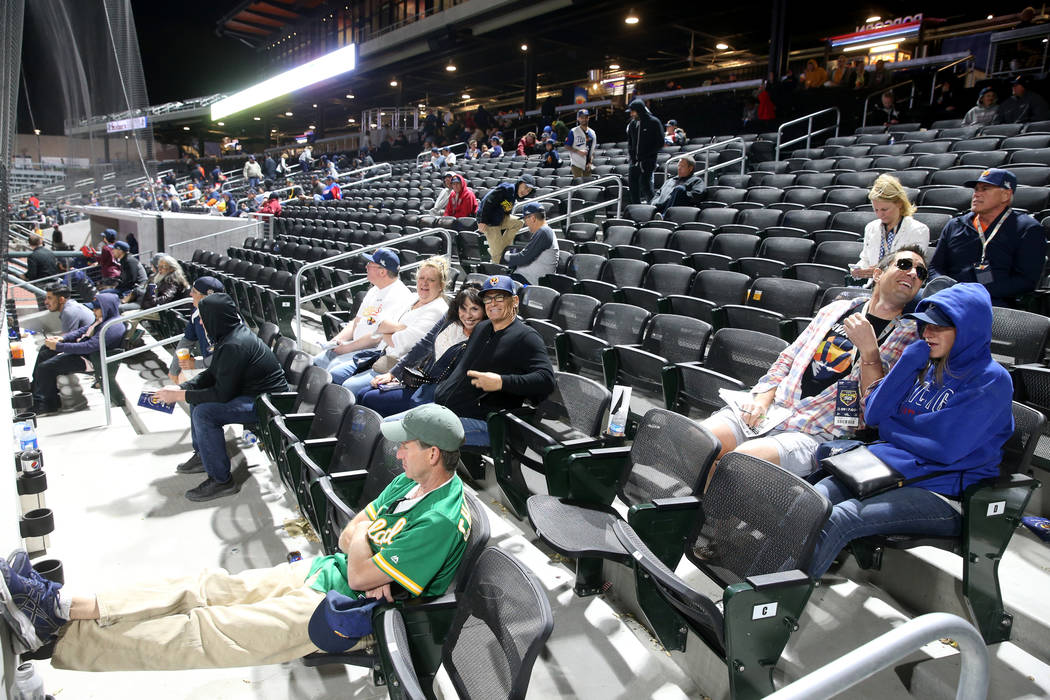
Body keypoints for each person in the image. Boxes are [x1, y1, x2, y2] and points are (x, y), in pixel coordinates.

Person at [0, 403, 472, 669]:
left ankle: (55, 642)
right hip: (325, 575)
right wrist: (362, 543)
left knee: (206, 633)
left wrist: (360, 544)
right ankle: (62, 606)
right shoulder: (411, 479)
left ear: (433, 454)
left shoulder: (442, 519)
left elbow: (357, 559)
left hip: (350, 614)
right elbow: (350, 535)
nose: (397, 449)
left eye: (406, 445)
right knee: (205, 587)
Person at [807, 283, 1013, 578]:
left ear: (968, 329)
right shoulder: (924, 363)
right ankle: (757, 579)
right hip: (896, 471)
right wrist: (907, 363)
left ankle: (773, 609)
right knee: (814, 499)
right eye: (924, 326)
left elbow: (945, 449)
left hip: (947, 494)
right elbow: (876, 415)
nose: (927, 334)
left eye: (938, 328)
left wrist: (894, 428)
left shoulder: (991, 380)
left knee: (842, 517)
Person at [700, 247, 925, 478]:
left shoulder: (909, 337)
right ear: (877, 274)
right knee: (699, 441)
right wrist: (762, 398)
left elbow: (874, 408)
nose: (913, 273)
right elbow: (788, 357)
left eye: (921, 272)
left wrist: (870, 354)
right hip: (774, 409)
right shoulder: (838, 309)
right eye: (905, 265)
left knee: (738, 463)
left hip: (817, 432)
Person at [154, 294, 287, 501]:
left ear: (214, 318)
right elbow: (212, 374)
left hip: (266, 403)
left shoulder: (235, 344)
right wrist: (183, 387)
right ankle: (204, 456)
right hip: (250, 394)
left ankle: (221, 481)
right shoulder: (229, 336)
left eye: (202, 317)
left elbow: (221, 393)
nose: (199, 322)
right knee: (198, 402)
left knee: (206, 412)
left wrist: (180, 394)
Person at [429, 275, 555, 446]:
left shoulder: (526, 337)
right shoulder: (482, 328)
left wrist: (502, 382)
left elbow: (546, 380)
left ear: (515, 300)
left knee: (417, 436)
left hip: (489, 423)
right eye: (488, 298)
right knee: (392, 425)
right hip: (447, 411)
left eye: (499, 297)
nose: (492, 303)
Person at [360, 285, 485, 415]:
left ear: (484, 310)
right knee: (364, 392)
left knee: (370, 399)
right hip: (417, 379)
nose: (468, 315)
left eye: (474, 309)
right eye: (463, 308)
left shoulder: (481, 338)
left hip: (433, 395)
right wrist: (393, 373)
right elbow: (423, 345)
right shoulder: (449, 318)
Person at [929, 168, 1046, 306]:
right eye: (976, 190)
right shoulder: (955, 225)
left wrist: (978, 293)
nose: (976, 194)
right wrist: (944, 288)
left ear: (1005, 195)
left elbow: (1025, 281)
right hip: (949, 298)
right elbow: (935, 267)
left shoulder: (1027, 229)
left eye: (985, 189)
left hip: (993, 303)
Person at [341, 257, 451, 395]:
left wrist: (389, 330)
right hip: (380, 355)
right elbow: (379, 324)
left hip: (398, 367)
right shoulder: (412, 298)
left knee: (349, 386)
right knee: (336, 372)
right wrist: (400, 328)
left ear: (441, 285)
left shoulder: (438, 310)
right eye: (421, 278)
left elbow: (401, 344)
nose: (424, 283)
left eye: (431, 280)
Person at [313, 248, 414, 385]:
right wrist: (336, 341)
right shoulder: (374, 290)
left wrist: (347, 348)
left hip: (372, 351)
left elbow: (377, 336)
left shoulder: (398, 295)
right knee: (318, 361)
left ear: (382, 271)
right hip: (355, 345)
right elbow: (357, 320)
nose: (366, 266)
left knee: (334, 370)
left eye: (370, 264)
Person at [31, 293, 126, 415]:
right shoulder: (102, 320)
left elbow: (88, 347)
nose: (93, 310)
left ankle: (47, 404)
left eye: (97, 307)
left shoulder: (113, 327)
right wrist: (61, 339)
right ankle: (37, 389)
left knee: (45, 368)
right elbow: (83, 330)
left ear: (106, 308)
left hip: (90, 359)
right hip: (85, 354)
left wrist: (59, 346)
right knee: (46, 350)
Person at [852, 174, 930, 282]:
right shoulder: (871, 227)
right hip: (872, 286)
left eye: (884, 209)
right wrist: (859, 270)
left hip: (899, 288)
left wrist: (880, 270)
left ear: (899, 203)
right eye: (876, 210)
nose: (880, 215)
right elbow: (865, 259)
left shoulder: (918, 230)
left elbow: (911, 268)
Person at [168, 276, 224, 384]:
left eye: (194, 292)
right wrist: (173, 371)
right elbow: (186, 341)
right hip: (211, 365)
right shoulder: (197, 311)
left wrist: (196, 364)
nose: (190, 294)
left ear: (205, 297)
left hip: (230, 371)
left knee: (187, 382)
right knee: (181, 376)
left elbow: (226, 356)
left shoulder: (225, 319)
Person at [476, 174, 536, 263]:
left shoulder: (513, 196)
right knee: (498, 256)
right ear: (519, 183)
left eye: (529, 190)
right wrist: (482, 221)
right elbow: (488, 201)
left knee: (518, 222)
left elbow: (505, 210)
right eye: (525, 187)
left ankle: (498, 249)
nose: (526, 191)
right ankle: (496, 257)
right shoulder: (508, 189)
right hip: (489, 222)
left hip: (498, 219)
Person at [504, 202, 559, 285]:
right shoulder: (544, 231)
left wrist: (506, 256)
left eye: (525, 219)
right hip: (526, 278)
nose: (525, 223)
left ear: (533, 218)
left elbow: (524, 258)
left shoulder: (544, 232)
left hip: (531, 282)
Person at [626, 98, 664, 205]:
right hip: (634, 162)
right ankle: (635, 209)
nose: (631, 114)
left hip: (648, 162)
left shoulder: (654, 122)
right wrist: (632, 158)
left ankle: (652, 208)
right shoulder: (633, 125)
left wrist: (647, 156)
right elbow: (630, 142)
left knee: (646, 186)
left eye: (633, 111)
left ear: (639, 110)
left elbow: (660, 142)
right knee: (633, 187)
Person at [24, 233, 60, 310]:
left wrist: (26, 277)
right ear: (41, 242)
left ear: (30, 244)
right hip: (55, 283)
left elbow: (32, 274)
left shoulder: (33, 256)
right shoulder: (50, 252)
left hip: (42, 285)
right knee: (55, 306)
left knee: (44, 308)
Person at [111, 241, 148, 311]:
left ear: (120, 250)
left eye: (114, 249)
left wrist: (119, 289)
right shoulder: (124, 260)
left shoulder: (130, 261)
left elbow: (131, 280)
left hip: (135, 290)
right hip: (128, 288)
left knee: (108, 297)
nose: (112, 251)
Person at [566, 109, 597, 178]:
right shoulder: (573, 131)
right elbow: (567, 146)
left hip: (587, 165)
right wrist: (578, 151)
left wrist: (590, 162)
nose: (584, 119)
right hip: (576, 164)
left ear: (588, 118)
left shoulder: (592, 133)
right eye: (582, 117)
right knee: (579, 184)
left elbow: (592, 150)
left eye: (586, 117)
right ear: (578, 119)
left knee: (587, 186)